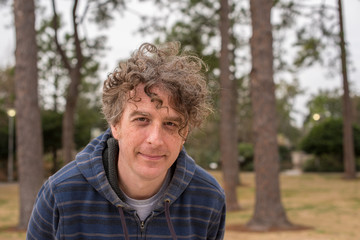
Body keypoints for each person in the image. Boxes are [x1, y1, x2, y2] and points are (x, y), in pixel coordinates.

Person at [27, 42, 226, 240]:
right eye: (142, 119)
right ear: (115, 125)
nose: (155, 140)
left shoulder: (208, 198)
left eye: (171, 124)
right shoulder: (61, 194)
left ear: (185, 133)